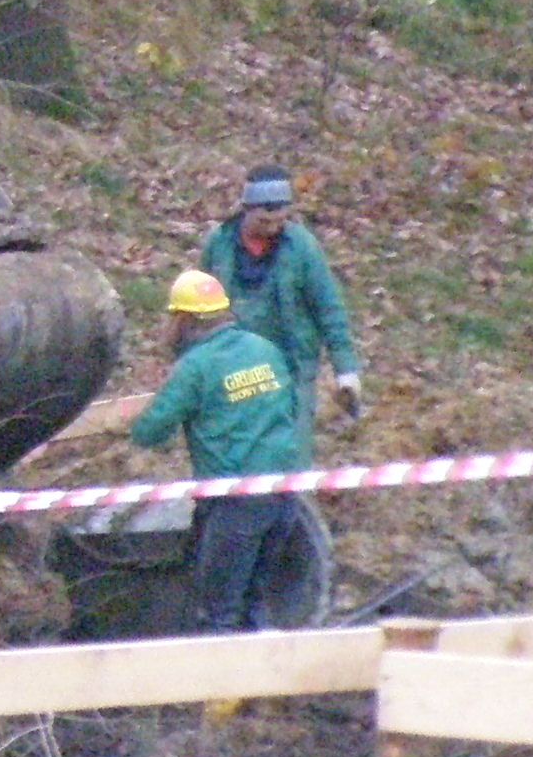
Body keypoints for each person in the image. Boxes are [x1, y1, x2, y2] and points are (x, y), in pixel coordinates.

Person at [130, 268, 314, 633]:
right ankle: (258, 684)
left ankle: (223, 691)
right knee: (254, 602)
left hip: (237, 503)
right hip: (287, 496)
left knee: (219, 613)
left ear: (184, 319)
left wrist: (134, 419)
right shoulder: (266, 350)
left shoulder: (196, 367)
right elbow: (291, 409)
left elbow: (150, 432)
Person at [201, 166, 362, 455]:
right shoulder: (219, 245)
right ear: (246, 210)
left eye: (280, 219)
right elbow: (197, 309)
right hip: (232, 368)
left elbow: (329, 310)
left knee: (289, 454)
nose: (273, 227)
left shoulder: (302, 248)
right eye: (264, 220)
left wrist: (346, 371)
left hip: (291, 369)